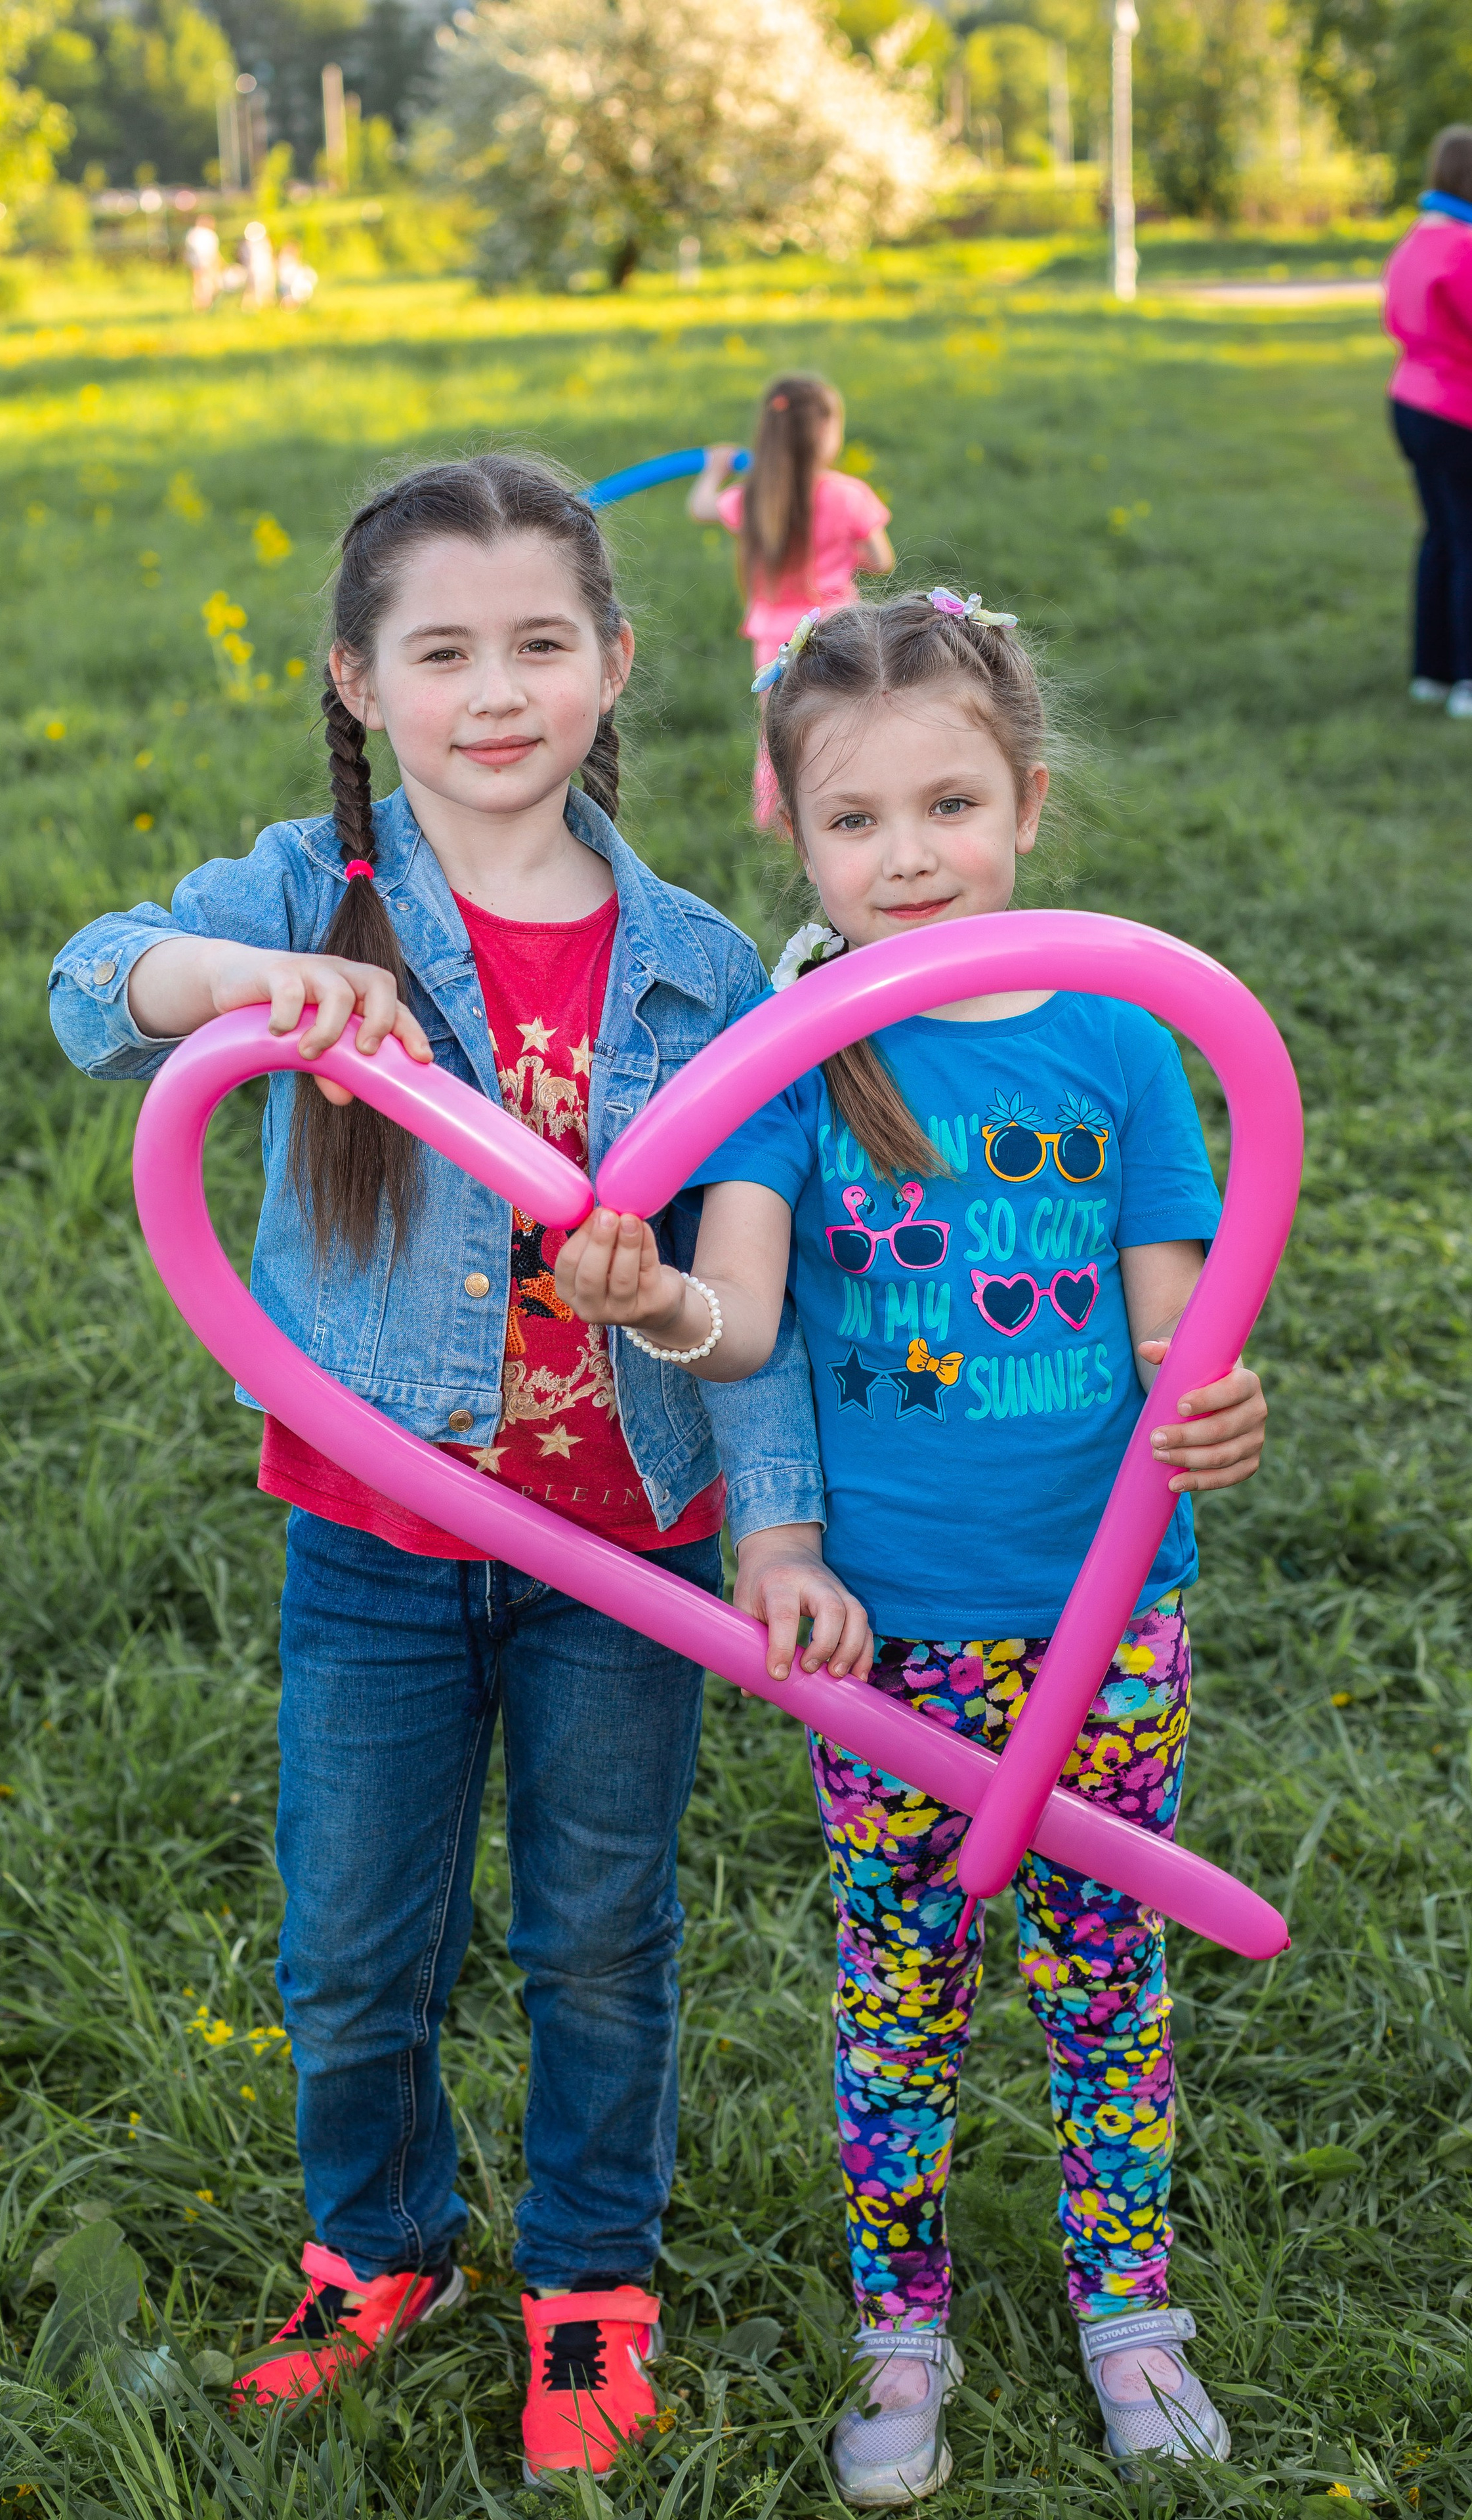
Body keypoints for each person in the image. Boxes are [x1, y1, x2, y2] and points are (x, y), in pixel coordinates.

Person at [47, 455, 868, 2489]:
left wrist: (769, 1516)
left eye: (536, 644)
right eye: (439, 651)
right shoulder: (305, 901)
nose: (490, 692)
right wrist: (238, 985)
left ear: (611, 664)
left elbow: (764, 1296)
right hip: (378, 1545)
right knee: (350, 1931)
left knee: (598, 1926)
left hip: (627, 1550)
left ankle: (588, 2281)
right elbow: (88, 983)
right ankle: (375, 2241)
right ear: (357, 680)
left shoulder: (692, 964)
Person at [555, 590, 1271, 2500]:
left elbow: (1169, 1327)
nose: (909, 855)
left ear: (1026, 803)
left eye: (949, 803)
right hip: (874, 1633)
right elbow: (742, 1323)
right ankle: (901, 2324)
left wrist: (1210, 1402)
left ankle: (1131, 2311)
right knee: (901, 1980)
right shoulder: (786, 1056)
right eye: (856, 819)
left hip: (1106, 1613)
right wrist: (659, 1325)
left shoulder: (1121, 1036)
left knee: (1104, 1968)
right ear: (789, 827)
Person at [688, 372, 894, 823]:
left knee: (779, 731)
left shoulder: (756, 498)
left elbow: (701, 506)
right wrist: (841, 555)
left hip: (774, 640)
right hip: (838, 629)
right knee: (848, 715)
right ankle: (857, 805)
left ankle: (780, 817)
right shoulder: (847, 495)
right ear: (825, 433)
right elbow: (881, 558)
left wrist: (714, 471)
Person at [1385, 124, 1472, 719]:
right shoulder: (1464, 245)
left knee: (1441, 534)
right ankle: (1468, 679)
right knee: (1468, 541)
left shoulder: (1418, 236)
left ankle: (1432, 674)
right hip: (1455, 410)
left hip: (1410, 403)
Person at [184, 213, 223, 312]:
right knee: (208, 284)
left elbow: (188, 251)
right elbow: (212, 253)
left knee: (199, 284)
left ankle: (199, 306)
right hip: (207, 263)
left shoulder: (193, 234)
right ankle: (205, 305)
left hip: (197, 264)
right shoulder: (209, 235)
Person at [239, 218, 276, 309]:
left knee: (267, 287)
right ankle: (257, 306)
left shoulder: (264, 242)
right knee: (255, 288)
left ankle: (267, 305)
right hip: (256, 268)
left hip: (263, 267)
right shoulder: (248, 244)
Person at [276, 239, 318, 309]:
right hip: (287, 289)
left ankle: (292, 302)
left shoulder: (300, 268)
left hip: (296, 289)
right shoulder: (284, 269)